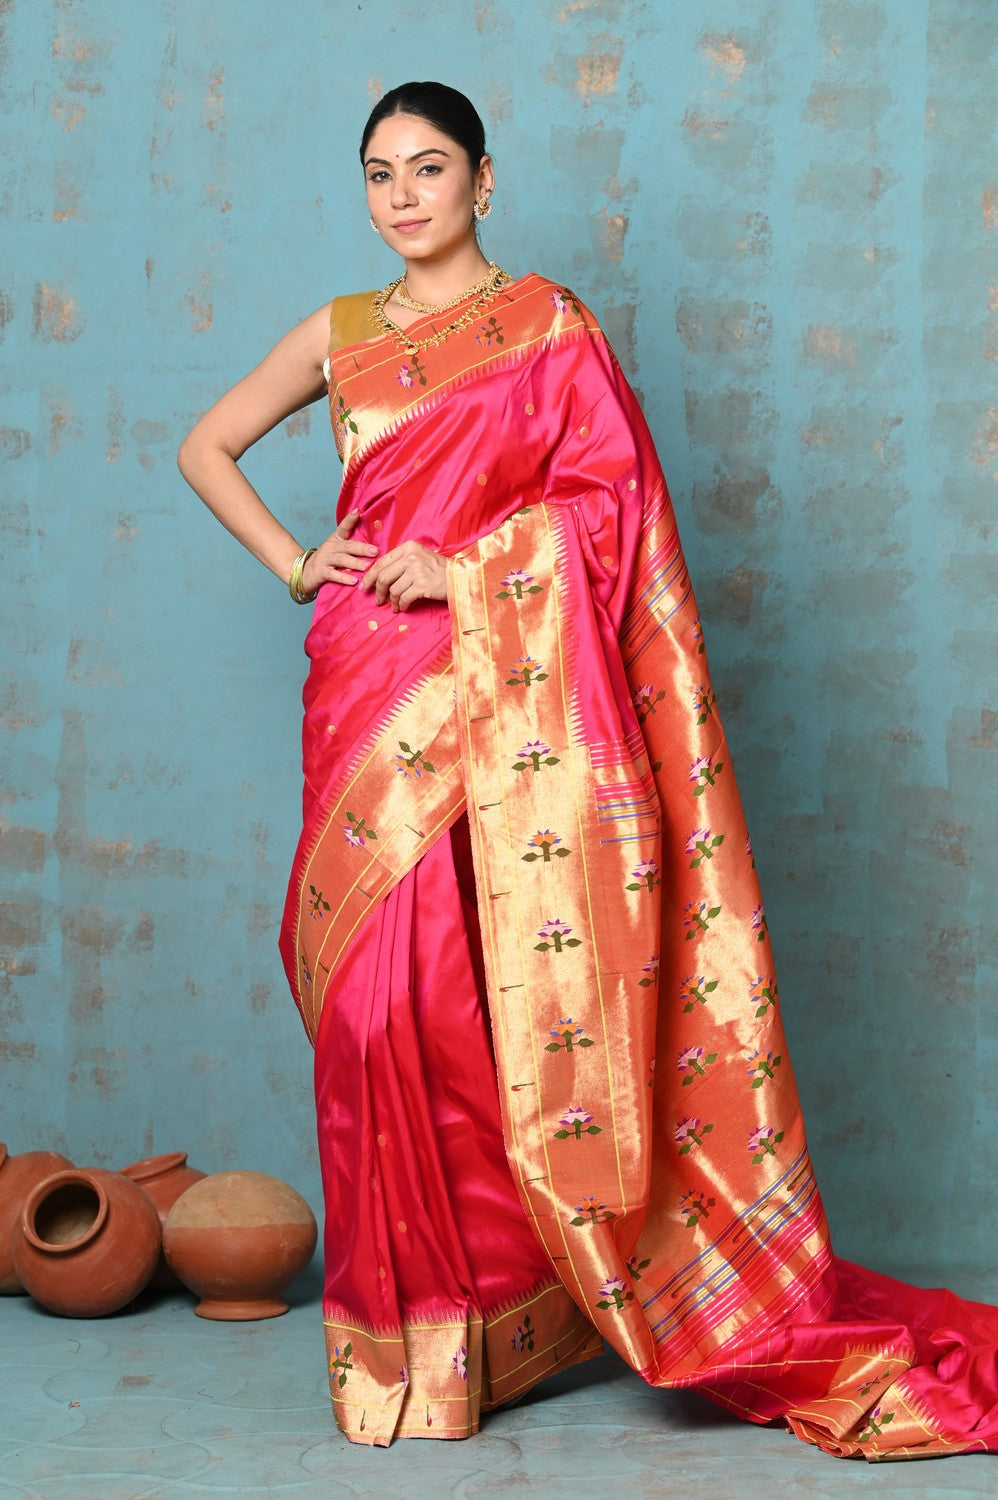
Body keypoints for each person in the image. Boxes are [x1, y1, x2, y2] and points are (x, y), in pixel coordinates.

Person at [178, 81, 998, 1458]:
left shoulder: (548, 328)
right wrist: (298, 562)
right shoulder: (339, 333)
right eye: (379, 173)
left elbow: (609, 513)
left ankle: (493, 1319)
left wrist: (466, 569)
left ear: (482, 182)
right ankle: (401, 1330)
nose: (402, 196)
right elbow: (204, 445)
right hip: (365, 687)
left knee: (466, 1007)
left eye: (429, 168)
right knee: (374, 1012)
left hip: (495, 690)